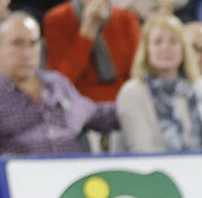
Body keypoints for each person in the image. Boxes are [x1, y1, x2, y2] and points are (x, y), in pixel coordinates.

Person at [117, 11, 202, 152]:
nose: (166, 48)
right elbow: (143, 151)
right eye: (158, 42)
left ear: (184, 48)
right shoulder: (133, 92)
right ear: (146, 50)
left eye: (173, 41)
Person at [0, 11, 119, 155]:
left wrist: (135, 105)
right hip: (19, 173)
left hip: (75, 173)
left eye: (33, 43)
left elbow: (97, 114)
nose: (27, 53)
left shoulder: (57, 84)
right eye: (17, 43)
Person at [43, 0, 141, 103]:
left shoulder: (127, 19)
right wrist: (87, 31)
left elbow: (138, 75)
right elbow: (60, 82)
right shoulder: (56, 19)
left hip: (123, 102)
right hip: (78, 104)